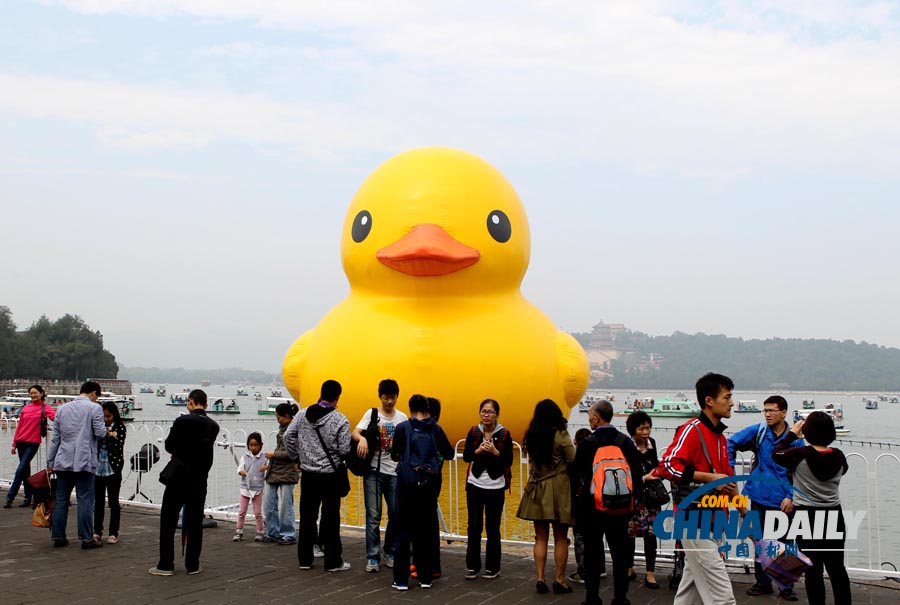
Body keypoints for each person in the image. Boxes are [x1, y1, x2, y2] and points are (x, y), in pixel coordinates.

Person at [653, 372, 737, 604]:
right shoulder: (692, 429)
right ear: (709, 400)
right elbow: (667, 465)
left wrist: (742, 511)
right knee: (724, 599)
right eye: (727, 397)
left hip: (713, 521)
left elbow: (728, 481)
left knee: (689, 594)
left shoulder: (721, 438)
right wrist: (708, 477)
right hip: (694, 521)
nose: (731, 402)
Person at [728, 395, 803, 601]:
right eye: (765, 410)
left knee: (785, 544)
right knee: (759, 541)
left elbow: (799, 472)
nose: (768, 414)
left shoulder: (795, 439)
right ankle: (763, 582)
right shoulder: (759, 432)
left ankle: (786, 586)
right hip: (758, 495)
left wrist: (791, 496)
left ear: (784, 412)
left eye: (772, 410)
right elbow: (731, 443)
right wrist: (728, 470)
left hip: (783, 500)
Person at [773, 412, 852, 605]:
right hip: (833, 514)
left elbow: (776, 453)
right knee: (836, 568)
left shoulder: (800, 454)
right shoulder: (839, 456)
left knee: (812, 568)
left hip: (806, 515)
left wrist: (792, 434)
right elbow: (845, 469)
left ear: (808, 432)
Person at [575, 400, 644, 605]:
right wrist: (633, 503)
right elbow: (637, 473)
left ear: (596, 417)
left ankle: (592, 598)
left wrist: (578, 507)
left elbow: (578, 476)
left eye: (590, 414)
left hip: (593, 507)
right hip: (621, 507)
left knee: (593, 554)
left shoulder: (588, 443)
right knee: (620, 555)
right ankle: (620, 598)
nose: (589, 417)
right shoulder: (624, 441)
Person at [150, 389, 220, 576]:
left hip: (178, 477)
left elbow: (169, 445)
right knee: (195, 522)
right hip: (199, 479)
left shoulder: (182, 421)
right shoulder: (213, 426)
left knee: (168, 520)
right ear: (205, 404)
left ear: (190, 402)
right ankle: (193, 564)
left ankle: (166, 564)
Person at [390, 394, 454, 591]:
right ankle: (425, 578)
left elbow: (394, 455)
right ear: (427, 408)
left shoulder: (402, 428)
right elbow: (450, 454)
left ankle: (401, 580)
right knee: (425, 532)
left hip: (406, 485)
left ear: (410, 408)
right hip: (428, 486)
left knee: (403, 530)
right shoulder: (435, 428)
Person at [515, 399, 575, 595]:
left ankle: (540, 578)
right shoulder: (560, 434)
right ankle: (559, 580)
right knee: (560, 538)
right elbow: (573, 458)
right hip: (558, 489)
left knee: (540, 537)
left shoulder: (532, 435)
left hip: (537, 488)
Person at [295, 380, 352, 572]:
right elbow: (344, 449)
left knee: (307, 517)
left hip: (308, 474)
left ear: (321, 393)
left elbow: (288, 437)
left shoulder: (302, 414)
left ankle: (304, 559)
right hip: (330, 475)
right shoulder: (340, 420)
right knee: (331, 517)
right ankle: (333, 561)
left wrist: (297, 457)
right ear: (338, 397)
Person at [352, 378, 406, 572]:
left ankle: (390, 551)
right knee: (373, 516)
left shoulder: (402, 418)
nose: (389, 402)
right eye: (386, 397)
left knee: (395, 514)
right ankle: (372, 556)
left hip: (394, 472)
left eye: (392, 398)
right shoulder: (372, 413)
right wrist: (363, 440)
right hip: (373, 472)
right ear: (380, 397)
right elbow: (355, 432)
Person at [48, 380, 107, 549]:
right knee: (85, 500)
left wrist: (50, 462)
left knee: (61, 499)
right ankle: (86, 538)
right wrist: (107, 432)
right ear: (94, 393)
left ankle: (58, 536)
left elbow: (56, 438)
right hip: (84, 460)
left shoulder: (63, 409)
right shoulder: (94, 408)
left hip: (63, 459)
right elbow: (100, 432)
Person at [462, 398, 513, 580]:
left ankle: (493, 567)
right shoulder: (474, 432)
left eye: (490, 412)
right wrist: (477, 451)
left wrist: (495, 452)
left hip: (495, 486)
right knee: (473, 526)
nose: (486, 415)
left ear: (496, 415)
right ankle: (472, 566)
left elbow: (508, 460)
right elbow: (467, 456)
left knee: (493, 527)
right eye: (483, 411)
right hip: (475, 484)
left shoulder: (504, 434)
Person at [625, 410, 660, 590]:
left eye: (648, 428)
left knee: (651, 535)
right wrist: (643, 478)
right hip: (634, 495)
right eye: (641, 428)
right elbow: (627, 471)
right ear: (633, 429)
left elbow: (655, 464)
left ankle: (650, 572)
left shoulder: (652, 444)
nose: (646, 432)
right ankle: (629, 568)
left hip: (651, 497)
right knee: (630, 533)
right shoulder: (627, 445)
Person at [6, 384, 55, 508]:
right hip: (21, 442)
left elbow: (56, 418)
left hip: (33, 443)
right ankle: (28, 498)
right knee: (25, 471)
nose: (33, 395)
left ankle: (10, 497)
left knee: (20, 469)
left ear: (41, 393)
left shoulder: (46, 408)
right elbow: (20, 427)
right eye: (31, 393)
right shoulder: (26, 408)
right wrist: (14, 444)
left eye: (35, 393)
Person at [568, 427, 602, 585]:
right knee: (597, 536)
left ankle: (583, 570)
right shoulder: (597, 461)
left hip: (580, 502)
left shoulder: (575, 463)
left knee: (580, 536)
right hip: (597, 502)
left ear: (575, 442)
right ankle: (600, 568)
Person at [263, 403, 300, 544]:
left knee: (286, 505)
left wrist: (274, 454)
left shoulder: (294, 430)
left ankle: (288, 534)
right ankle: (273, 532)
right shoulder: (283, 429)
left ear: (286, 416)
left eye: (279, 417)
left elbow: (293, 453)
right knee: (269, 503)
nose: (277, 420)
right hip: (275, 470)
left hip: (288, 470)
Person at [94, 401, 126, 544]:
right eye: (103, 416)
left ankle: (113, 532)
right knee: (98, 502)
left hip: (113, 468)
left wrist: (107, 433)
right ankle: (97, 531)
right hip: (98, 468)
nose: (106, 419)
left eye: (108, 416)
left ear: (114, 415)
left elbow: (117, 442)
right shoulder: (97, 427)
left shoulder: (120, 427)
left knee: (113, 502)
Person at [233, 432, 268, 542]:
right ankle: (239, 531)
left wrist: (265, 469)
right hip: (245, 487)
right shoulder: (245, 456)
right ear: (248, 445)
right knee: (241, 511)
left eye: (255, 445)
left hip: (257, 488)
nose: (253, 447)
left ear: (261, 445)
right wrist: (241, 471)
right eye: (251, 445)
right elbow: (239, 468)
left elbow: (267, 473)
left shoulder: (264, 458)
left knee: (258, 512)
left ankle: (260, 531)